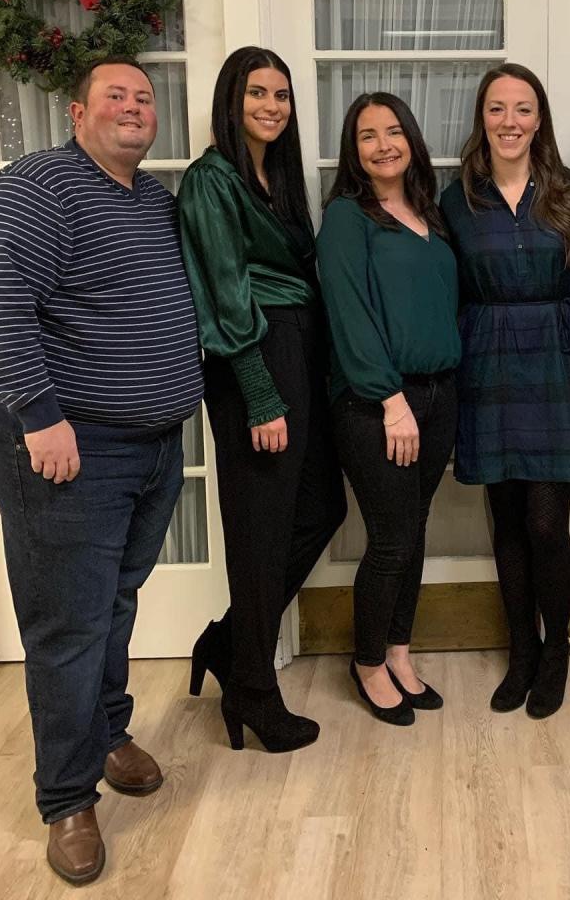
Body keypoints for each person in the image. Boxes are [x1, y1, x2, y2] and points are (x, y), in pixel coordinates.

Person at [0, 57, 203, 885]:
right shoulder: (34, 186)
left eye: (145, 98)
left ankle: (108, 734)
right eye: (116, 95)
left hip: (150, 445)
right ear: (77, 112)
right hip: (69, 446)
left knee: (112, 602)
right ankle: (66, 798)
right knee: (67, 626)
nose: (134, 107)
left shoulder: (152, 199)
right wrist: (40, 416)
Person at [177, 46, 346, 753]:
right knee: (261, 528)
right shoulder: (209, 182)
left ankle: (228, 643)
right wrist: (258, 394)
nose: (271, 106)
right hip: (257, 355)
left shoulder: (274, 178)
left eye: (281, 95)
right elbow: (222, 291)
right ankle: (254, 688)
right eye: (257, 93)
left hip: (298, 348)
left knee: (320, 508)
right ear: (230, 99)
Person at [440, 64, 570, 720]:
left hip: (557, 358)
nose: (510, 121)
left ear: (540, 119)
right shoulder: (457, 199)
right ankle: (522, 652)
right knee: (505, 520)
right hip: (486, 356)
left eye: (523, 109)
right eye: (497, 109)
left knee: (545, 521)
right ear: (483, 118)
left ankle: (557, 650)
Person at [317, 92, 460, 726]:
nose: (383, 145)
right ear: (355, 150)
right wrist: (391, 401)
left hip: (440, 395)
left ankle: (399, 650)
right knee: (392, 539)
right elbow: (348, 315)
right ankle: (368, 661)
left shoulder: (431, 213)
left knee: (414, 530)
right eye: (368, 135)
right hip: (379, 402)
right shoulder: (349, 217)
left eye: (394, 131)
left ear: (412, 140)